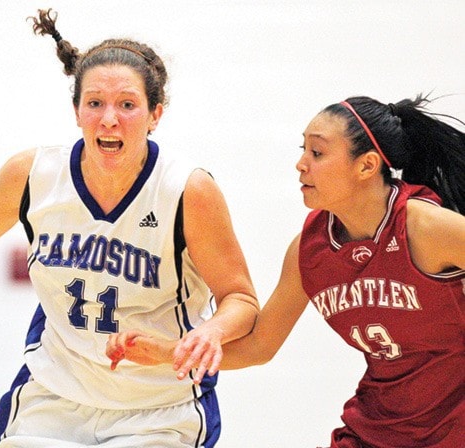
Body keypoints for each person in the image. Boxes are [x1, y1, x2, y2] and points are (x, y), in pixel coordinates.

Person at [0, 8, 259, 448]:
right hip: (53, 399)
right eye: (94, 102)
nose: (109, 118)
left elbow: (241, 299)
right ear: (76, 110)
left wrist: (210, 331)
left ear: (155, 115)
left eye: (128, 105)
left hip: (159, 407)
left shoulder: (186, 190)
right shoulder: (34, 174)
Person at [107, 94, 465, 447]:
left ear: (367, 166)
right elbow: (260, 345)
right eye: (303, 150)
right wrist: (168, 353)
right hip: (374, 431)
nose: (301, 164)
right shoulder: (309, 250)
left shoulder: (424, 228)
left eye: (318, 152)